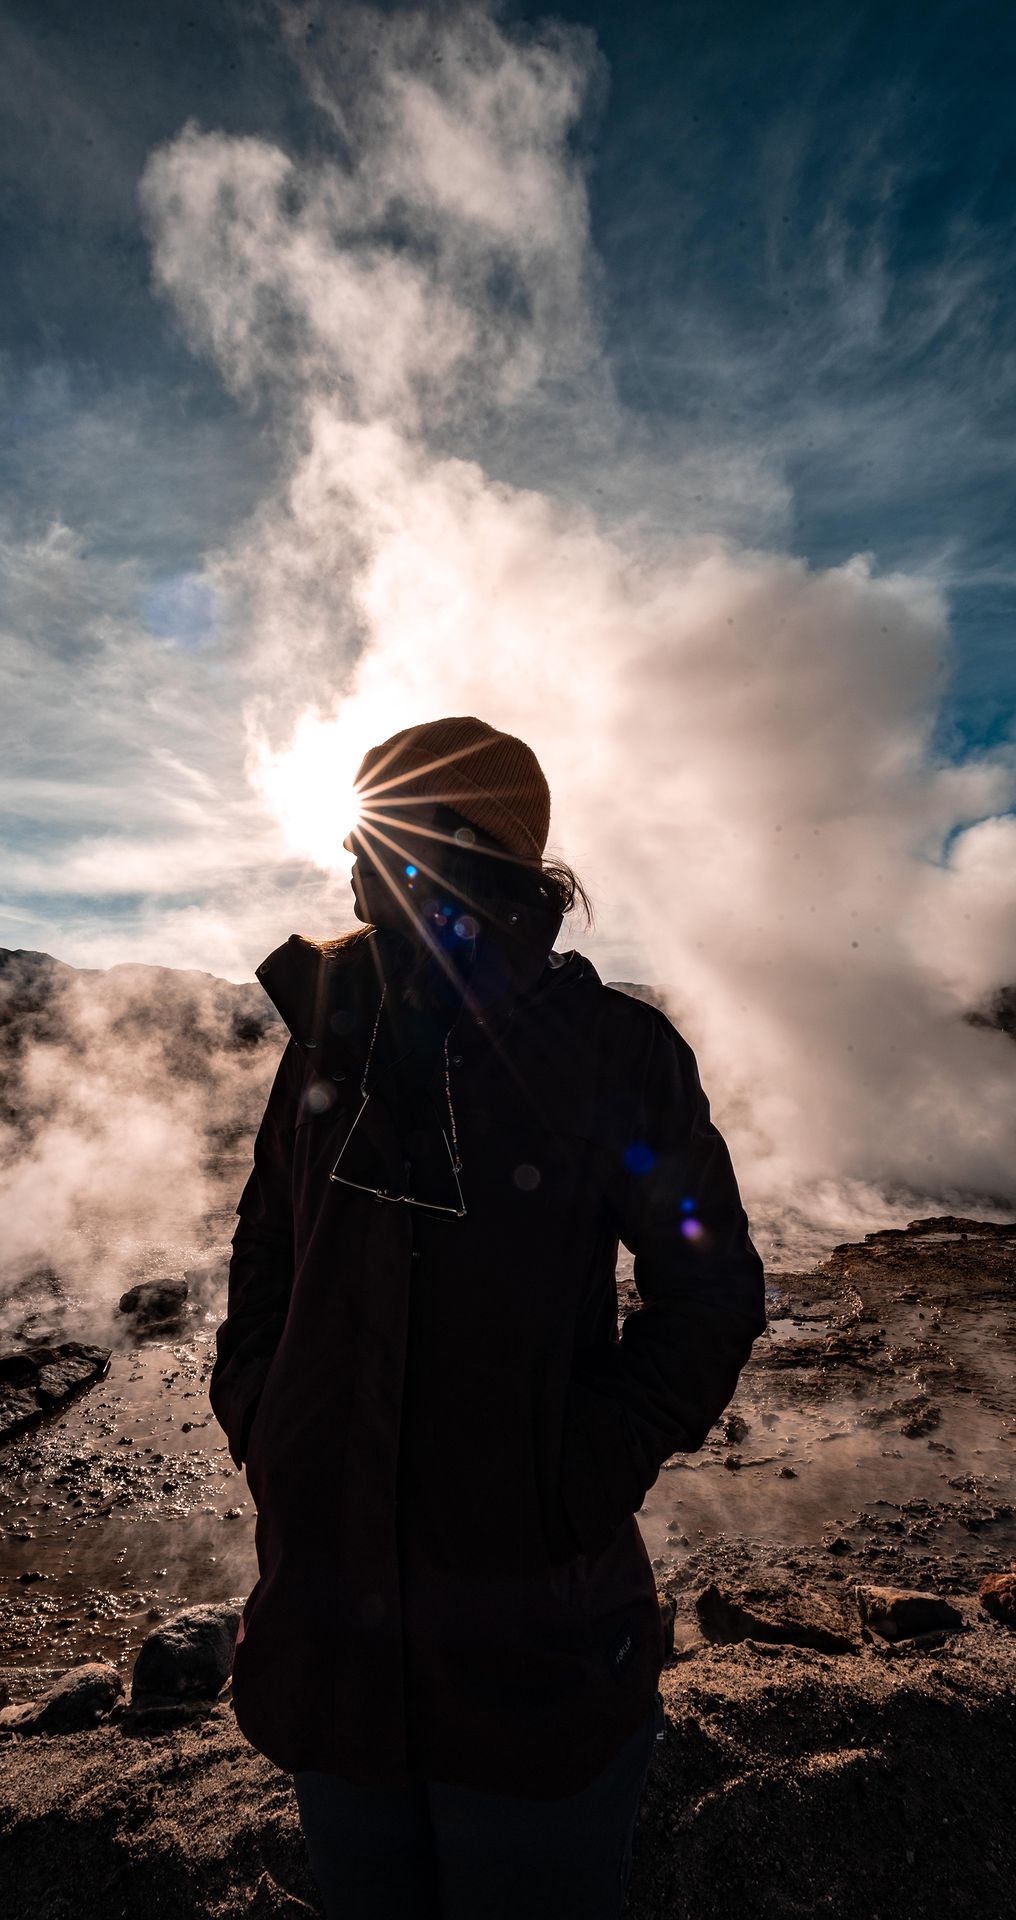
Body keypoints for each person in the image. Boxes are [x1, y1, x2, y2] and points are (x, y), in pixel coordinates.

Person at [210, 714, 767, 1919]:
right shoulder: (330, 1027)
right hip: (331, 1635)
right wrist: (264, 1416)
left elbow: (710, 1287)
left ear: (470, 847)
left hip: (534, 1652)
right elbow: (266, 1251)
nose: (352, 866)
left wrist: (575, 1474)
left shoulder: (612, 1052)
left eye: (385, 832)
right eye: (354, 833)